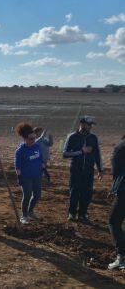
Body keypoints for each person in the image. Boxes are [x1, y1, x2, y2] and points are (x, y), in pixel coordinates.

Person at [63, 116, 104, 223]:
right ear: (81, 124)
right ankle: (72, 213)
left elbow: (97, 154)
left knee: (87, 193)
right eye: (88, 124)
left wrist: (100, 170)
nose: (90, 126)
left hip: (89, 170)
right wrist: (81, 151)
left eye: (91, 125)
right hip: (76, 169)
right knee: (74, 191)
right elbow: (65, 154)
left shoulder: (93, 137)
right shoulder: (72, 137)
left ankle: (83, 214)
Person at [14, 123, 44, 225]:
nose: (33, 140)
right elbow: (17, 166)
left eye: (34, 138)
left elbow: (40, 159)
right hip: (26, 177)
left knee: (37, 195)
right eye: (31, 138)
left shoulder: (37, 147)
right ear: (25, 139)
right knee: (27, 195)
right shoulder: (20, 151)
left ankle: (30, 211)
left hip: (37, 176)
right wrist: (19, 177)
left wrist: (43, 169)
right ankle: (24, 215)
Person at [108, 135, 125, 270]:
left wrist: (114, 187)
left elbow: (115, 170)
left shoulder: (120, 147)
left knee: (114, 221)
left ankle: (121, 257)